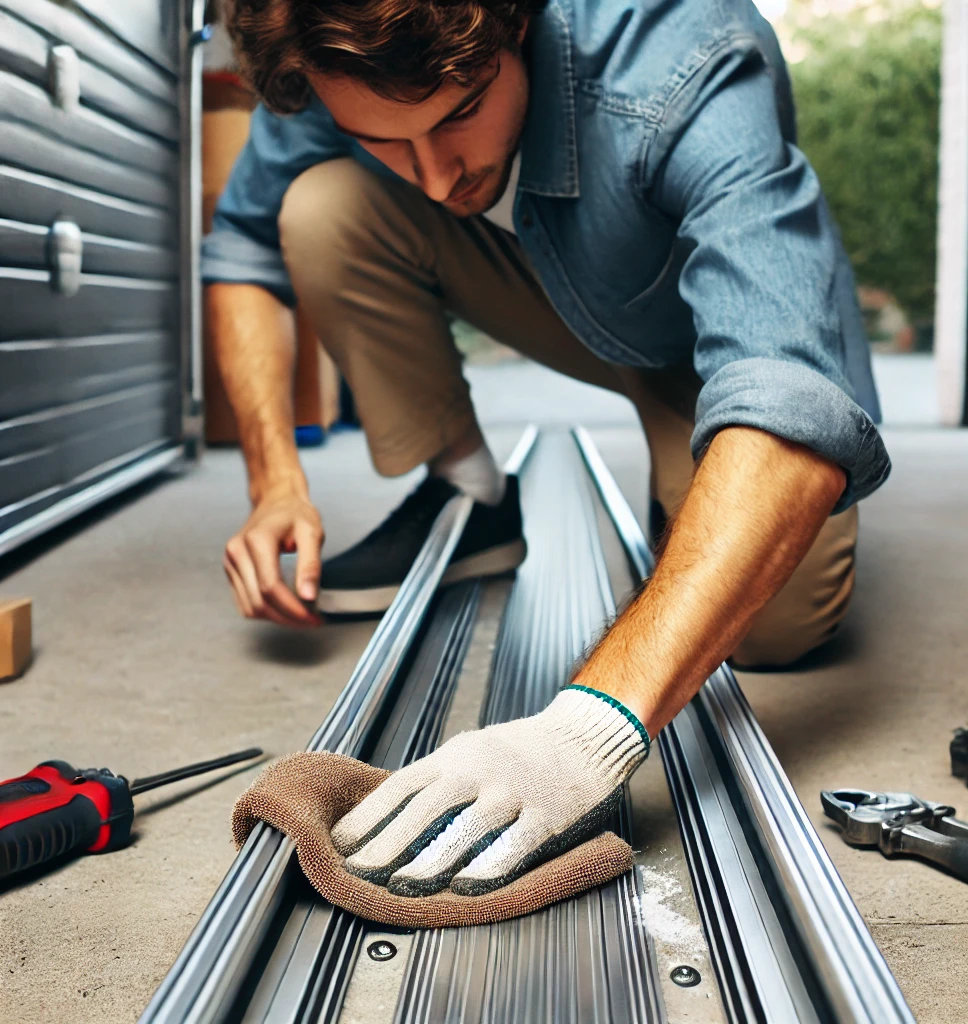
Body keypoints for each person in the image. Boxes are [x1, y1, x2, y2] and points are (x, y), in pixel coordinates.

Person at [204, 0, 890, 897]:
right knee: (319, 206)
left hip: (709, 336)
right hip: (560, 288)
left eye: (458, 112)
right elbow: (244, 250)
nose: (438, 176)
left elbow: (788, 390)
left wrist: (590, 726)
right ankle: (469, 496)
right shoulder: (327, 58)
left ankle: (697, 487)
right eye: (387, 140)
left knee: (771, 630)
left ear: (515, 25)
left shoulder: (686, 55)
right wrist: (275, 485)